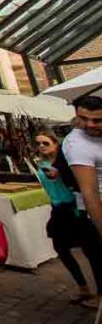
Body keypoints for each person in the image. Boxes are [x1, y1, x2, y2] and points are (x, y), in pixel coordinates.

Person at [35, 129, 102, 306]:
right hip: (58, 209)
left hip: (75, 208)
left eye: (45, 143)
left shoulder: (66, 163)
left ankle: (99, 294)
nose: (41, 146)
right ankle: (83, 287)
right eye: (38, 143)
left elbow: (82, 182)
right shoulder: (41, 164)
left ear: (56, 144)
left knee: (92, 253)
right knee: (61, 248)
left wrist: (61, 175)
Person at [63, 95, 102, 238]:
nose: (90, 124)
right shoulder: (78, 145)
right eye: (83, 118)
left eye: (97, 120)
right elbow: (90, 194)